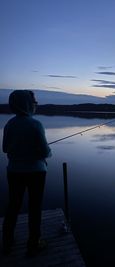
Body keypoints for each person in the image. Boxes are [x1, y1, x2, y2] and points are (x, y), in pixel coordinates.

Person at [2, 90, 51, 256]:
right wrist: (47, 152)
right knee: (35, 207)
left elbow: (5, 149)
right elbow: (44, 152)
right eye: (34, 102)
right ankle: (34, 242)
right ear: (27, 104)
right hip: (36, 172)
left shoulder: (9, 124)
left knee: (13, 205)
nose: (35, 104)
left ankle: (7, 241)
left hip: (14, 171)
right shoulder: (35, 124)